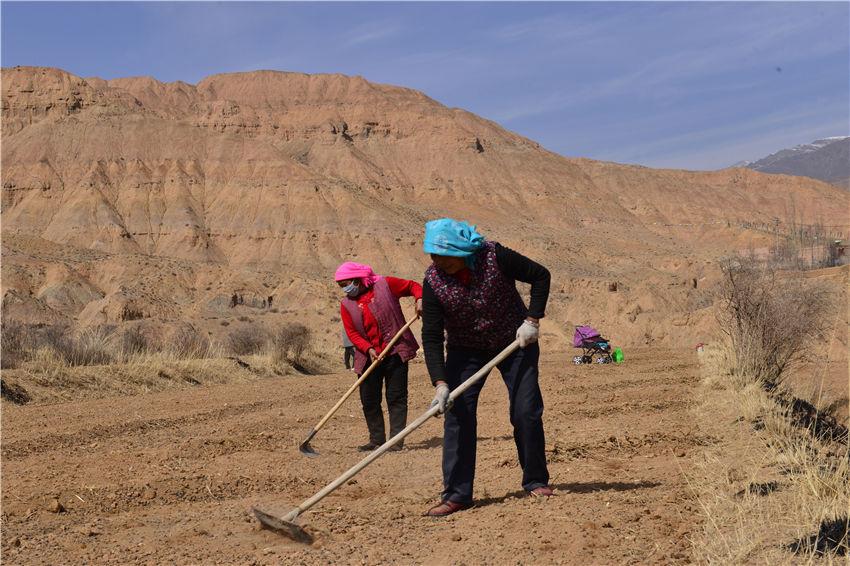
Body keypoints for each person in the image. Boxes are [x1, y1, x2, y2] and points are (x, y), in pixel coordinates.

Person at [420, 218, 554, 517]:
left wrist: (532, 321)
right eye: (433, 256)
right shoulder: (433, 282)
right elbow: (431, 334)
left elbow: (541, 276)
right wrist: (440, 383)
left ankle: (535, 480)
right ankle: (457, 494)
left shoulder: (495, 256)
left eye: (444, 256)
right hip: (464, 350)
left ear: (461, 251)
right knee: (458, 414)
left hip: (515, 342)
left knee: (525, 411)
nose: (438, 262)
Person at [335, 261, 423, 452]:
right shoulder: (346, 305)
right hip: (368, 357)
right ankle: (376, 440)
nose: (345, 289)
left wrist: (419, 299)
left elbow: (412, 286)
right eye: (342, 287)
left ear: (357, 278)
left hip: (394, 352)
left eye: (347, 284)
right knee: (369, 399)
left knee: (396, 397)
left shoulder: (385, 285)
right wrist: (368, 349)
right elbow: (353, 334)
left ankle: (396, 441)